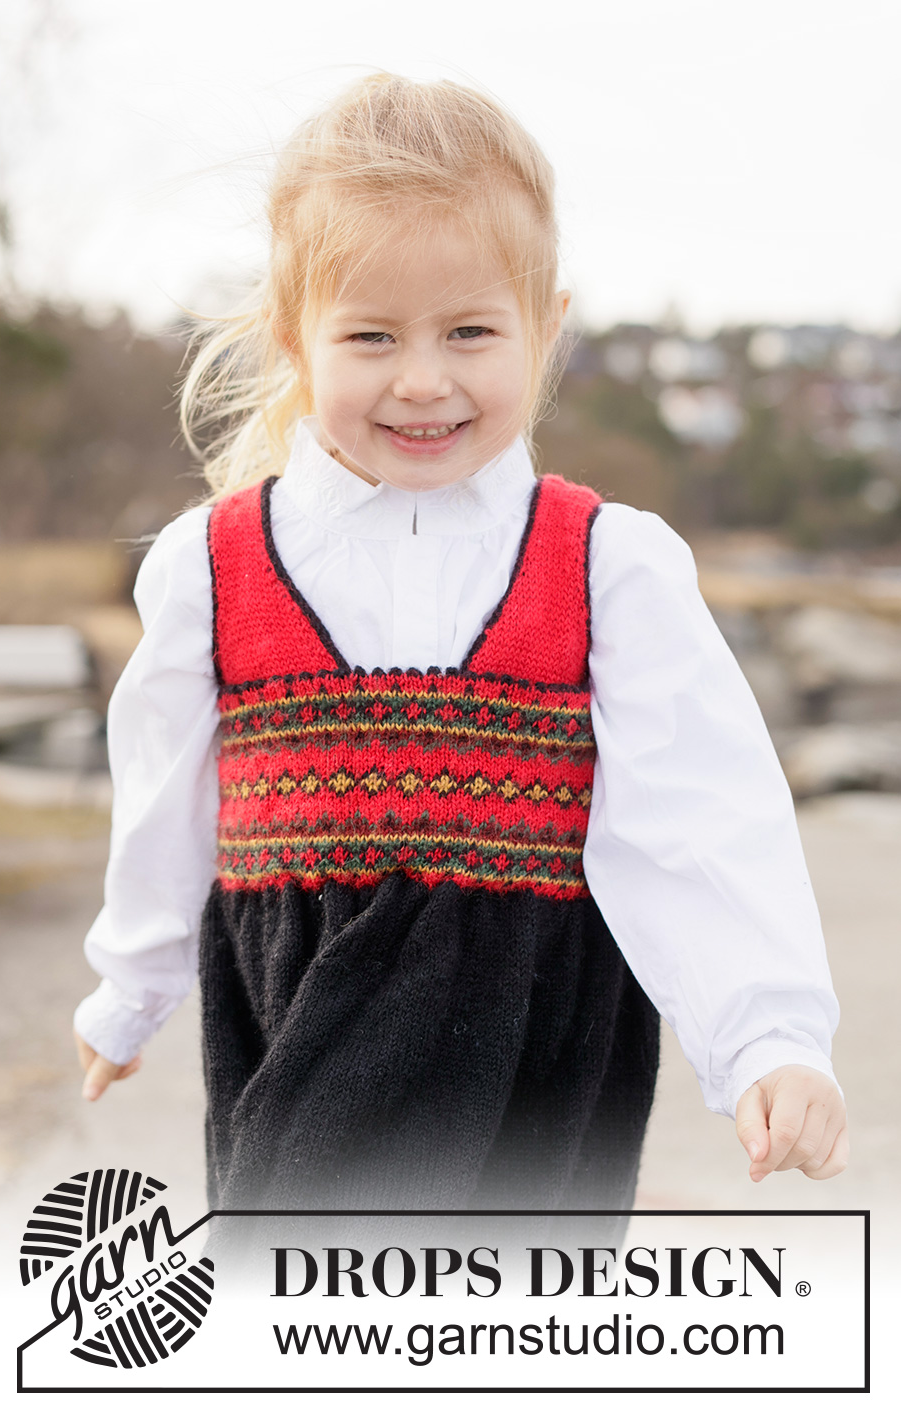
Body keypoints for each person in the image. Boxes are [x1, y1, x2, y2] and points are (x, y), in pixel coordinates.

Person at [74, 73, 847, 1216]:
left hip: (538, 1029)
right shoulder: (212, 565)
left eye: (471, 330)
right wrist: (126, 988)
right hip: (302, 1007)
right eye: (373, 334)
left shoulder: (607, 567)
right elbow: (163, 800)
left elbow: (697, 814)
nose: (423, 378)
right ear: (297, 337)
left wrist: (771, 1038)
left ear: (546, 328)